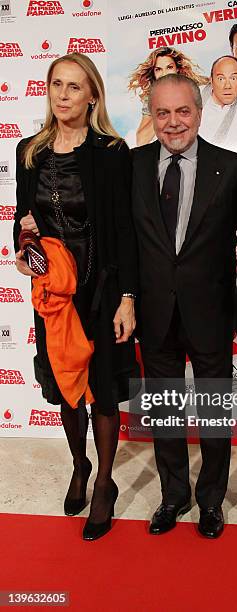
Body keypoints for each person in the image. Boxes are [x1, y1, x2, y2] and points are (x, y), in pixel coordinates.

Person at [14, 52, 139, 541]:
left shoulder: (112, 152)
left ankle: (105, 483)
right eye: (56, 85)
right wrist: (24, 252)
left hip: (102, 287)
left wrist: (128, 297)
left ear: (92, 95)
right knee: (66, 387)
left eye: (73, 87)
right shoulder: (29, 151)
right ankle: (80, 465)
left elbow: (125, 229)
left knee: (103, 386)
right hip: (54, 293)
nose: (63, 95)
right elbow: (23, 224)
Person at [131, 73, 237, 539]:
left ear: (199, 112)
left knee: (215, 411)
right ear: (152, 116)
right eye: (162, 112)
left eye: (183, 111)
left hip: (212, 311)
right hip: (154, 311)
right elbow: (117, 238)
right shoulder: (132, 166)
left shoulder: (233, 167)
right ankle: (173, 495)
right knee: (166, 411)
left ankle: (211, 500)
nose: (173, 123)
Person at [128, 47, 209, 146]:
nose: (164, 74)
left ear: (177, 69)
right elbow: (141, 140)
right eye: (158, 70)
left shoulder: (195, 86)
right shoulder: (151, 98)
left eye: (169, 67)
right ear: (153, 74)